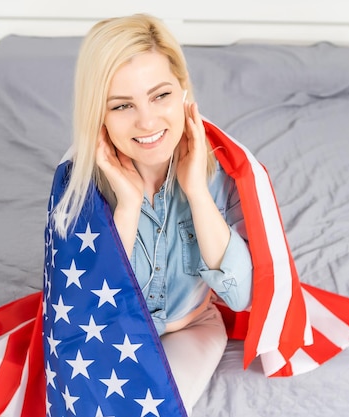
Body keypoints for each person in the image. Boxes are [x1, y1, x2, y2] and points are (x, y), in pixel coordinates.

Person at [51, 13, 254, 414]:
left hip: (189, 327)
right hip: (107, 333)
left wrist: (197, 192)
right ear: (99, 114)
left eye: (160, 95)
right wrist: (127, 207)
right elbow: (86, 309)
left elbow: (243, 295)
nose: (146, 121)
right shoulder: (77, 182)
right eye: (122, 105)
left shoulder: (220, 168)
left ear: (182, 91)